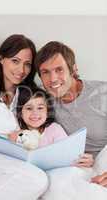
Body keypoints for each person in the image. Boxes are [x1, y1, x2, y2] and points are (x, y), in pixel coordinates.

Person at [0, 34, 48, 200]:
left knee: (38, 178)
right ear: (1, 59)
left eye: (27, 64)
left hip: (12, 161)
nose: (21, 70)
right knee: (36, 179)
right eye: (15, 61)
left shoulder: (30, 97)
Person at [34, 41, 107, 199]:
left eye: (59, 70)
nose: (53, 79)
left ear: (73, 69)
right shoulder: (42, 101)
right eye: (45, 72)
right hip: (76, 166)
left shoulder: (102, 93)